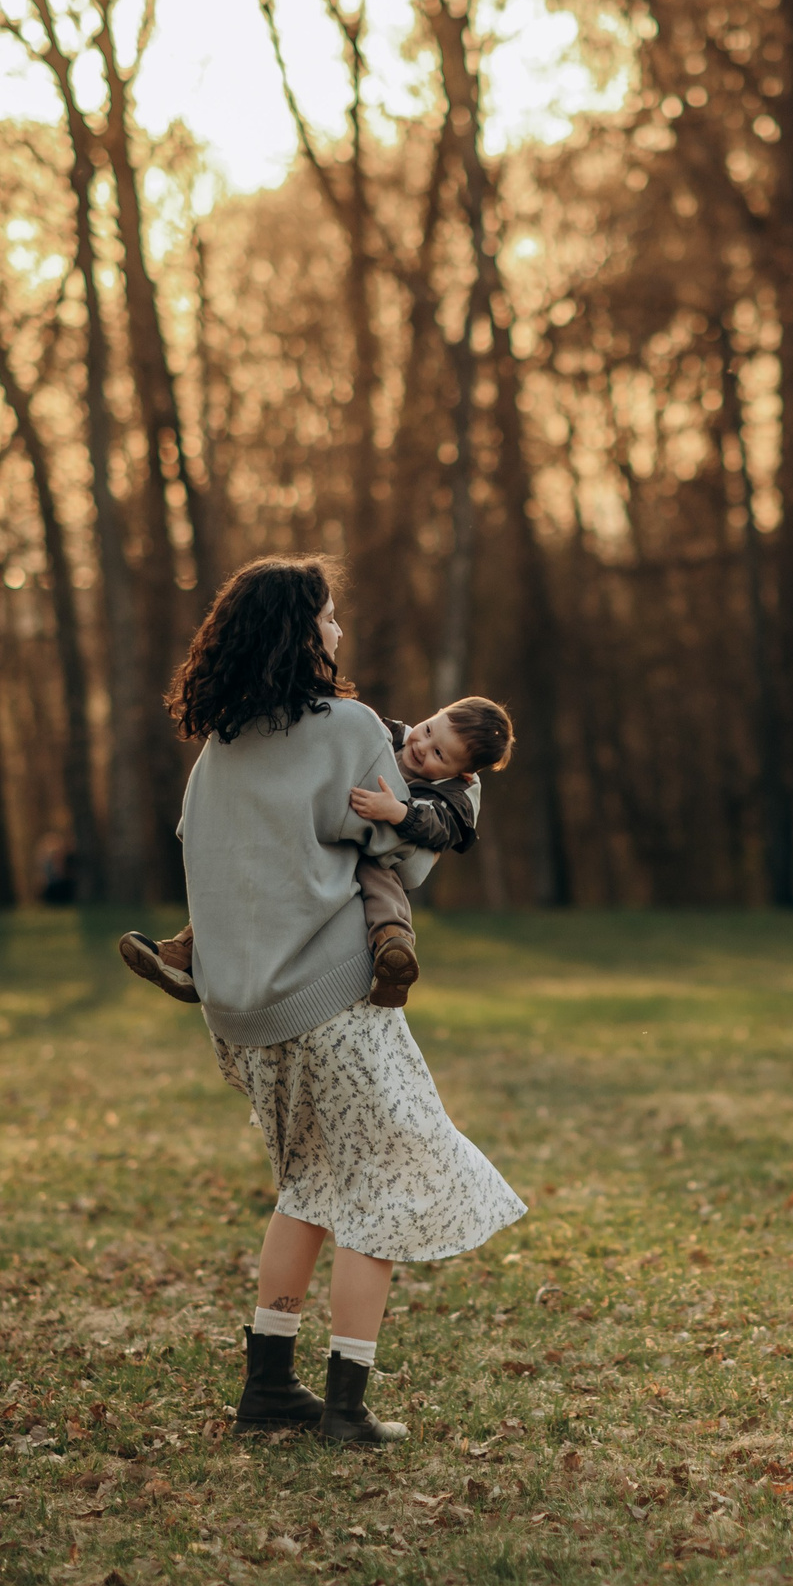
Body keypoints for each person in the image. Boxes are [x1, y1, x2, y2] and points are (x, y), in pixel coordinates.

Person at [158, 555, 524, 1447]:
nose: (339, 630)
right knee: (387, 1188)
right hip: (330, 1007)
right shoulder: (351, 726)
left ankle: (268, 1388)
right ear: (299, 632)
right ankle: (348, 1405)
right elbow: (405, 857)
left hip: (238, 1016)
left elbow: (200, 848)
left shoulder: (221, 746)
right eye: (327, 617)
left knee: (311, 1184)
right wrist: (461, 795)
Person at [117, 697, 515, 1010]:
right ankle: (188, 949)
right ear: (434, 714)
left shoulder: (458, 795)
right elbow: (351, 729)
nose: (421, 746)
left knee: (380, 881)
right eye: (428, 729)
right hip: (337, 833)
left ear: (462, 773)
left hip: (382, 857)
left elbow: (441, 826)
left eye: (439, 754)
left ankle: (392, 950)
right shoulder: (395, 734)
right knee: (261, 868)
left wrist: (398, 812)